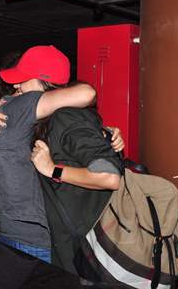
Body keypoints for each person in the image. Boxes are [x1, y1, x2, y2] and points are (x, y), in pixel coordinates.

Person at [0, 45, 98, 263]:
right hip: (32, 241)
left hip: (32, 236)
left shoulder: (41, 115)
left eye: (22, 78)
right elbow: (87, 93)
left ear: (44, 80)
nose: (15, 85)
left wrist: (107, 132)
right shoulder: (18, 105)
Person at [29, 106, 124, 275]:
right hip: (74, 239)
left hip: (82, 245)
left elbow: (108, 176)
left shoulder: (64, 117)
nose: (17, 86)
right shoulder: (47, 121)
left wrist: (52, 170)